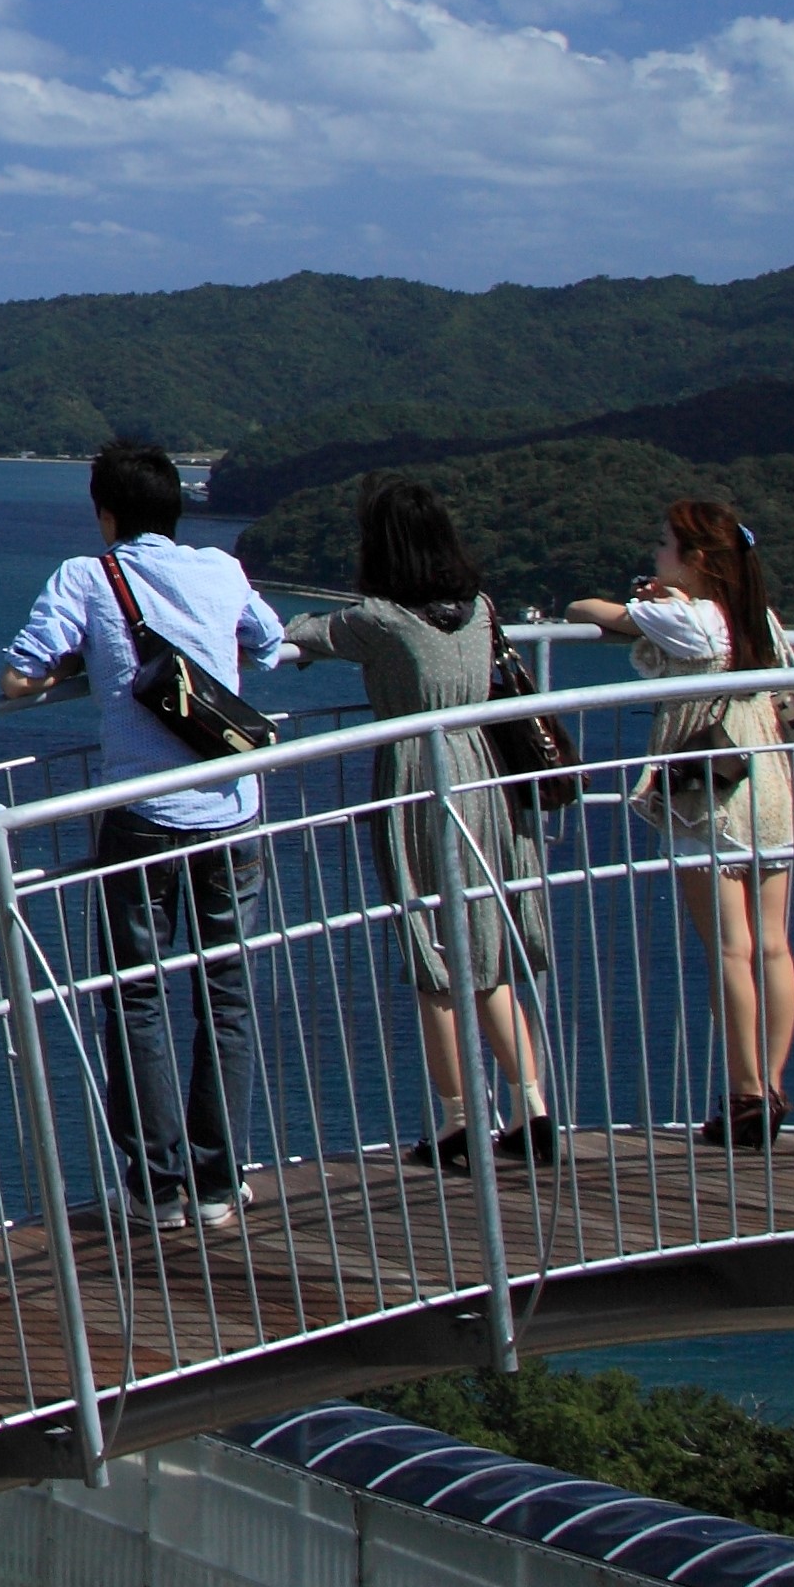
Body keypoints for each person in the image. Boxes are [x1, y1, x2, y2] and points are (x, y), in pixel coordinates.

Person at [0, 440, 294, 1231]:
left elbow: (20, 675)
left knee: (137, 996)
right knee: (225, 994)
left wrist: (79, 671)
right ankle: (220, 1178)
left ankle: (159, 1187)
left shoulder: (87, 576)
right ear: (177, 508)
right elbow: (267, 644)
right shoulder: (222, 571)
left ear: (106, 513)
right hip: (232, 808)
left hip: (141, 816)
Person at [280, 481, 553, 1172]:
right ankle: (533, 1109)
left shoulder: (381, 622)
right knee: (489, 955)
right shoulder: (481, 610)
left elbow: (301, 634)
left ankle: (461, 1122)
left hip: (420, 781)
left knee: (435, 954)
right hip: (486, 774)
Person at [568, 502, 794, 1149]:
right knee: (774, 945)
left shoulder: (689, 618)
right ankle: (774, 1087)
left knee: (729, 949)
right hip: (771, 779)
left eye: (664, 544)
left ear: (695, 560)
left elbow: (587, 611)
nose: (655, 552)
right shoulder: (755, 616)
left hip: (710, 789)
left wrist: (649, 600)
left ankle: (745, 1095)